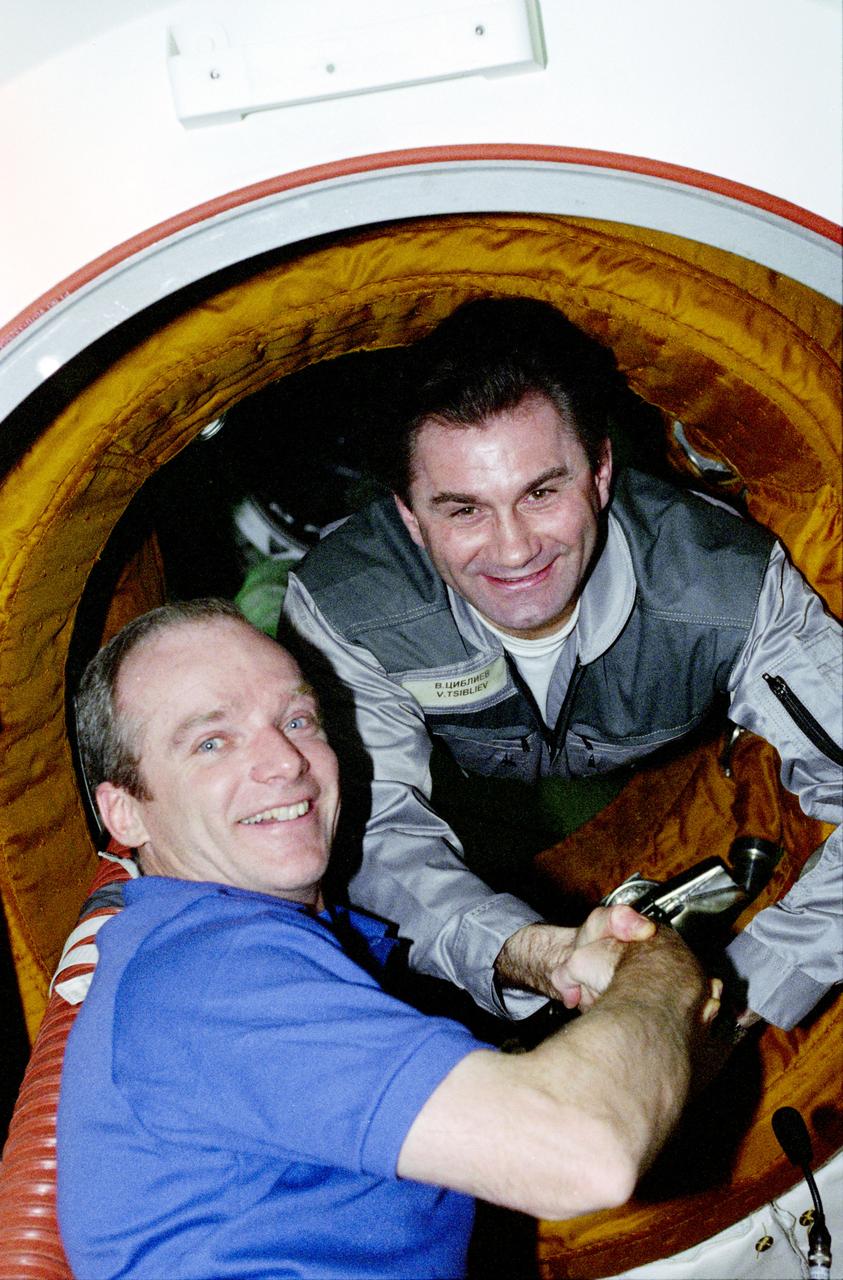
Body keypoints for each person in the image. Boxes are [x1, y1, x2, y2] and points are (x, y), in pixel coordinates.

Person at [57, 599, 715, 1280]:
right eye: (211, 742)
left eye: (296, 719)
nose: (284, 761)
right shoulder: (211, 970)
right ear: (124, 811)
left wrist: (555, 962)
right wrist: (659, 967)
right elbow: (583, 1153)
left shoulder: (283, 942)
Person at [281, 296, 842, 1034]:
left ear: (601, 471)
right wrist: (532, 953)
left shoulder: (725, 585)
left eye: (541, 492)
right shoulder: (346, 608)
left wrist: (731, 995)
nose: (513, 550)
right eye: (463, 510)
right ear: (411, 519)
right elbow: (364, 831)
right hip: (474, 812)